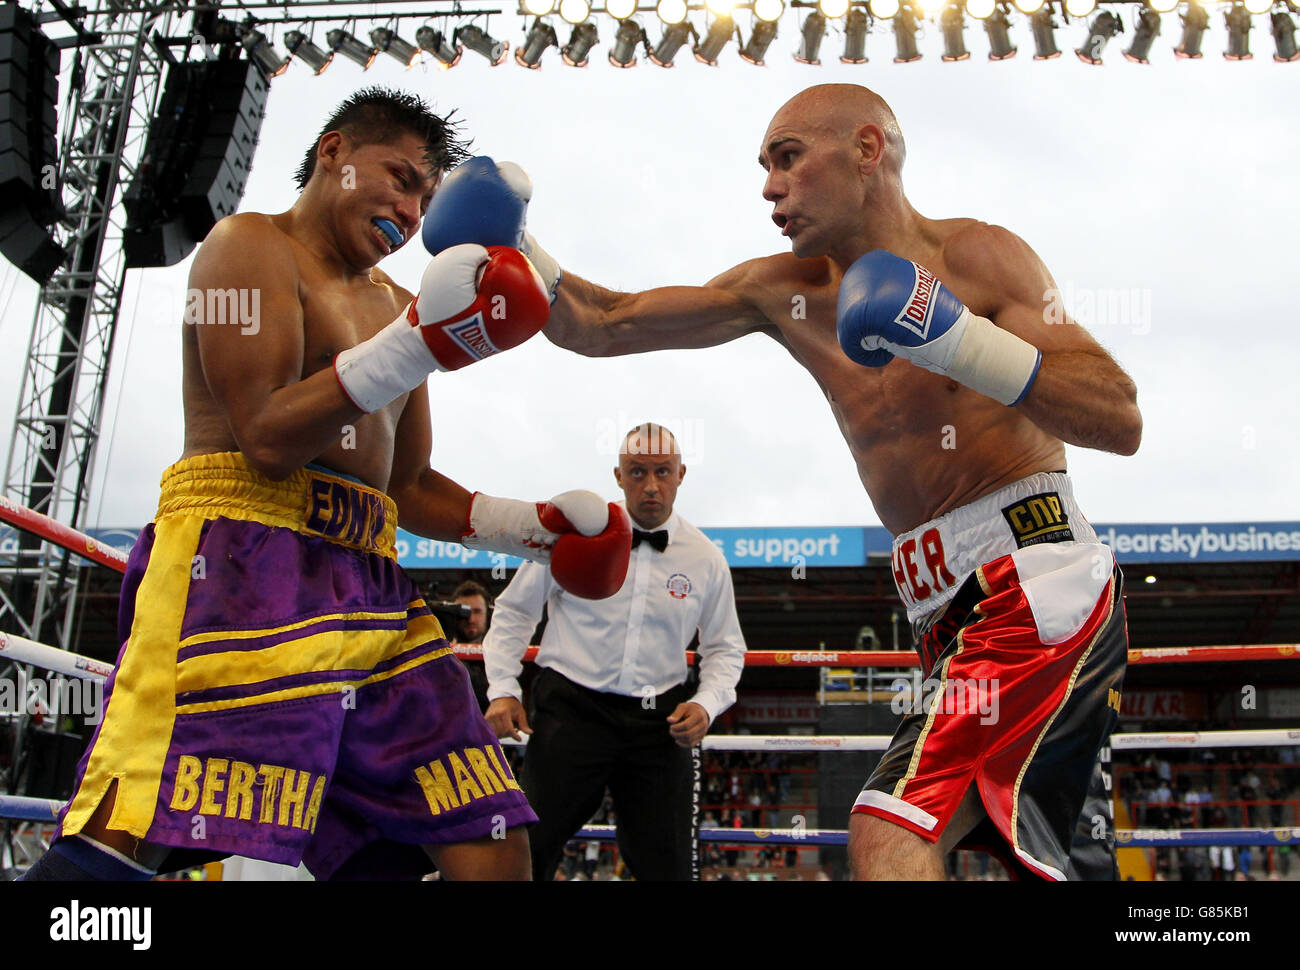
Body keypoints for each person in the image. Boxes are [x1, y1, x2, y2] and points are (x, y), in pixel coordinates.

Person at [421, 83, 1140, 881]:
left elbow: (1119, 418)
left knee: (890, 827)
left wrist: (960, 338)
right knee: (1043, 860)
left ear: (868, 150)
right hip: (944, 611)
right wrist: (519, 242)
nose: (769, 185)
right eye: (765, 166)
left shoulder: (978, 257)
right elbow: (604, 322)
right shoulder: (782, 290)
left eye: (788, 158)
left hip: (1030, 576)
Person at [20, 88, 632, 882]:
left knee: (488, 845)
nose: (411, 212)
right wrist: (416, 345)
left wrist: (535, 529)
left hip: (368, 577)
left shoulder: (399, 304)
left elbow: (405, 487)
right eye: (400, 178)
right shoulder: (247, 248)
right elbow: (267, 436)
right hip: (236, 559)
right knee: (138, 828)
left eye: (425, 197)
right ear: (334, 153)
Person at [481, 424, 747, 881]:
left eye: (662, 472)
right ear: (618, 476)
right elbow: (512, 613)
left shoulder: (704, 558)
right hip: (571, 709)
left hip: (659, 721)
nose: (650, 485)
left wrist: (707, 703)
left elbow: (725, 647)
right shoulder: (576, 536)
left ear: (681, 474)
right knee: (528, 852)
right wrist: (502, 689)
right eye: (637, 472)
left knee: (668, 865)